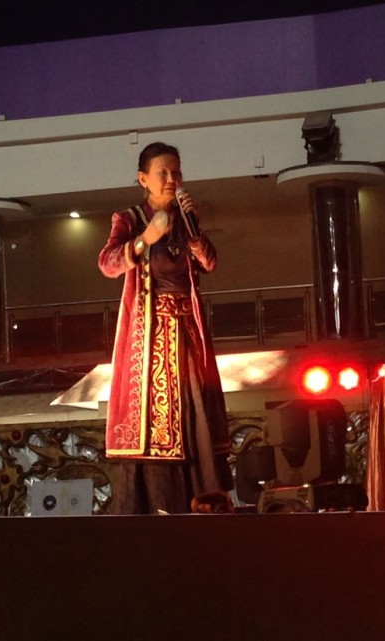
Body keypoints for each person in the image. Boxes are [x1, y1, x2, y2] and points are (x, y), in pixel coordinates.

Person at [98, 141, 233, 514]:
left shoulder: (185, 217)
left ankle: (201, 499)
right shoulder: (128, 219)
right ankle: (158, 502)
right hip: (151, 337)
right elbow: (107, 263)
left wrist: (193, 228)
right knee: (155, 417)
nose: (172, 179)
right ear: (143, 179)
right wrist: (145, 240)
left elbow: (209, 262)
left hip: (187, 332)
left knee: (195, 412)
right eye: (163, 172)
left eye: (176, 171)